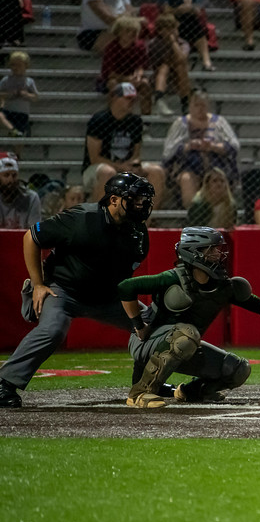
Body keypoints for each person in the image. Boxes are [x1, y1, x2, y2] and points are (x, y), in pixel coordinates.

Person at [0, 172, 154, 408]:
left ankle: (160, 380)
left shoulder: (138, 233)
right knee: (53, 330)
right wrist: (39, 283)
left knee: (156, 324)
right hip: (63, 289)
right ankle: (4, 383)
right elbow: (31, 237)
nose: (140, 205)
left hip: (106, 296)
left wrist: (140, 320)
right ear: (113, 200)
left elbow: (124, 281)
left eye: (142, 200)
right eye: (134, 199)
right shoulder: (82, 218)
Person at [115, 226, 260, 408]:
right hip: (147, 341)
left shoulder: (219, 284)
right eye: (211, 249)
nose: (217, 254)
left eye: (217, 249)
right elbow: (126, 287)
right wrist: (138, 325)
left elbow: (249, 301)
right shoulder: (172, 279)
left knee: (238, 369)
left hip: (184, 343)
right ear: (193, 253)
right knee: (187, 334)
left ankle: (192, 392)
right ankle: (140, 393)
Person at [83, 82, 166, 207]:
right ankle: (99, 220)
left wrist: (135, 165)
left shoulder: (135, 121)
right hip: (98, 169)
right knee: (108, 172)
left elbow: (136, 154)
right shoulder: (99, 120)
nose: (132, 102)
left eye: (134, 99)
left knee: (156, 171)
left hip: (126, 168)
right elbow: (94, 158)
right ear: (114, 98)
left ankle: (144, 222)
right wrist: (121, 167)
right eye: (128, 98)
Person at [162, 90, 239, 205]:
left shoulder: (219, 122)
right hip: (188, 165)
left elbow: (234, 146)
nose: (200, 109)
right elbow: (168, 152)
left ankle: (217, 216)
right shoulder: (181, 124)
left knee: (216, 178)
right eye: (196, 105)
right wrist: (189, 146)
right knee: (187, 179)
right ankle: (194, 213)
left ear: (208, 106)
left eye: (203, 105)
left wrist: (213, 147)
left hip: (216, 164)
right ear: (190, 106)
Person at [99, 15, 153, 114]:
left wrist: (138, 75)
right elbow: (109, 73)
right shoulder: (111, 47)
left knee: (145, 84)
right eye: (128, 31)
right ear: (119, 32)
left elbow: (141, 65)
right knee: (113, 84)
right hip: (117, 77)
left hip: (132, 76)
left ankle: (146, 120)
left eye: (134, 31)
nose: (132, 34)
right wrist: (126, 79)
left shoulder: (139, 46)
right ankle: (113, 115)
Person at [148, 13, 191, 117]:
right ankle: (159, 99)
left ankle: (185, 103)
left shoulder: (182, 43)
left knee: (180, 67)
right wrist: (169, 61)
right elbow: (155, 63)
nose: (170, 32)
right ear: (160, 31)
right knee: (164, 67)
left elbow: (181, 59)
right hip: (159, 77)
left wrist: (173, 43)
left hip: (178, 78)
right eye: (166, 29)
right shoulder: (154, 43)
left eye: (172, 28)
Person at [0, 51, 40, 137]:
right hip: (8, 110)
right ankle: (12, 129)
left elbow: (36, 97)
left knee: (18, 140)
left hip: (22, 113)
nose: (16, 67)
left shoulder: (29, 81)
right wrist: (9, 94)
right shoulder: (6, 80)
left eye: (19, 65)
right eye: (13, 65)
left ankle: (17, 138)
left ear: (26, 66)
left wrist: (27, 94)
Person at [0, 155, 42, 228]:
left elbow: (36, 227)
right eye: (6, 175)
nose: (11, 180)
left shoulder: (31, 197)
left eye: (14, 175)